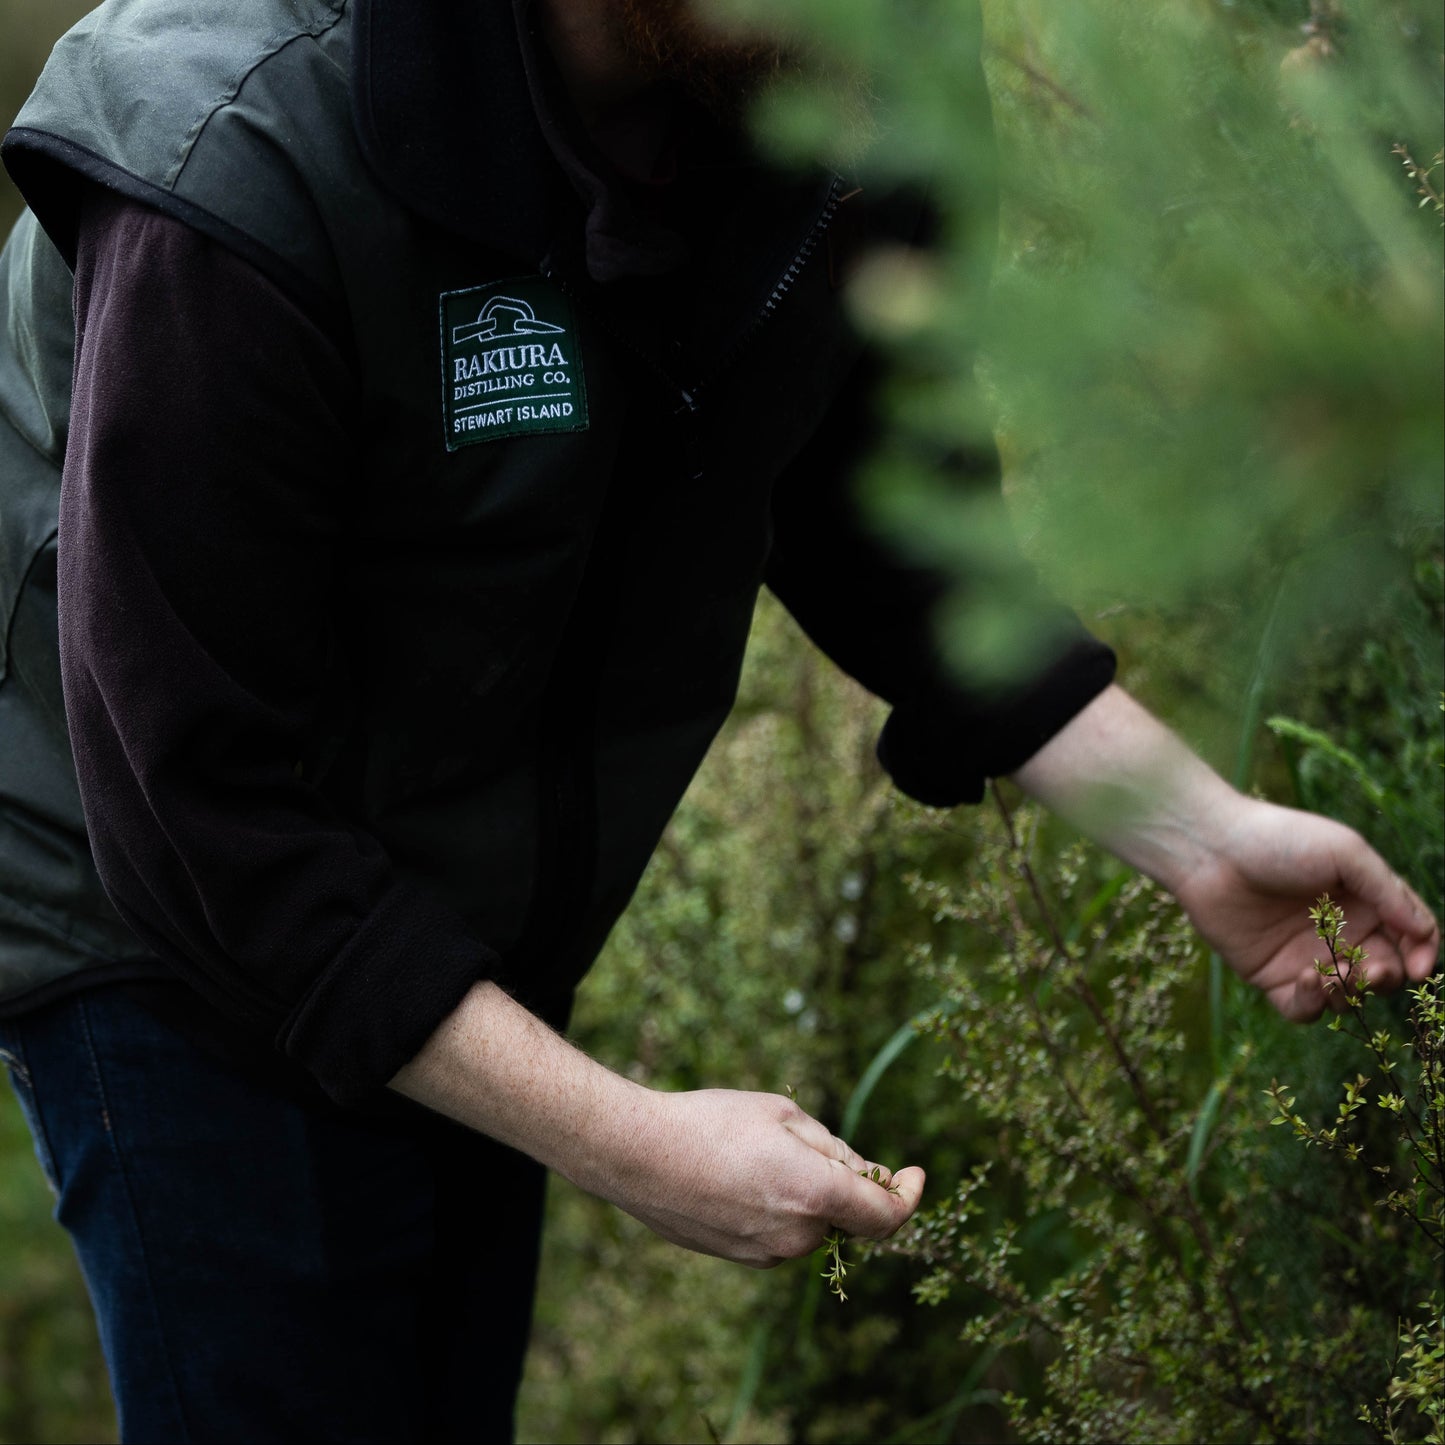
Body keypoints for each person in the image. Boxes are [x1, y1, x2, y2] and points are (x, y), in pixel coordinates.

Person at [0, 0, 1436, 1440]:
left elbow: (878, 513)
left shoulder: (840, 63)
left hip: (456, 888)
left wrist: (1198, 833)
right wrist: (631, 1141)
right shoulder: (231, 162)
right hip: (166, 908)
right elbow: (200, 805)